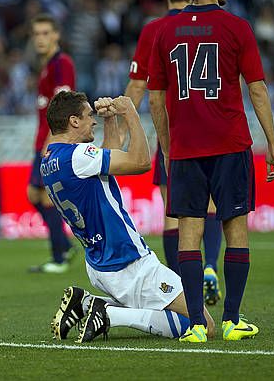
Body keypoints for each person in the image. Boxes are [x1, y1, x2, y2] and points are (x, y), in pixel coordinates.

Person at [148, 0, 274, 342]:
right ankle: (231, 319)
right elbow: (256, 89)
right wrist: (272, 142)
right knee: (234, 228)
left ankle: (195, 326)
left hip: (187, 149)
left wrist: (169, 149)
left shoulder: (164, 32)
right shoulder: (236, 27)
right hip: (230, 144)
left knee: (188, 233)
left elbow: (156, 99)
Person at [43, 91, 215, 343]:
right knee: (202, 324)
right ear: (73, 121)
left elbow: (108, 162)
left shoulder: (50, 160)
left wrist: (110, 120)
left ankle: (88, 303)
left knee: (170, 313)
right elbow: (141, 162)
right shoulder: (77, 156)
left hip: (99, 264)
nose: (93, 121)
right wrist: (130, 112)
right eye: (89, 116)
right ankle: (109, 314)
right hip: (128, 262)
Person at [126, 0, 223, 305]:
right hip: (214, 131)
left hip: (175, 135)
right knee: (210, 205)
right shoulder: (213, 25)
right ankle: (210, 265)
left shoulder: (156, 30)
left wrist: (122, 125)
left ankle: (182, 285)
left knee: (174, 210)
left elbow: (139, 86)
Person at [27, 14, 78, 273]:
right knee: (34, 194)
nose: (40, 38)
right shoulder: (47, 65)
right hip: (42, 141)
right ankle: (65, 246)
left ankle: (59, 257)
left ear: (56, 35)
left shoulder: (61, 64)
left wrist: (51, 145)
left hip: (50, 143)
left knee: (45, 196)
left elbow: (63, 106)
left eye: (46, 33)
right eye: (36, 33)